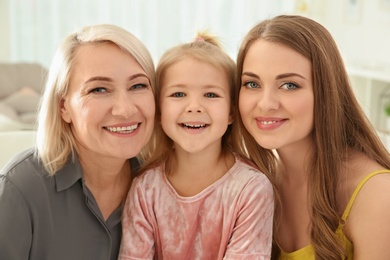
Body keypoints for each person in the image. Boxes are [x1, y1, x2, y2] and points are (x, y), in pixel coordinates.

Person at [236, 14, 390, 260]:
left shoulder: (378, 195)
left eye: (289, 85)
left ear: (326, 92)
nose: (266, 104)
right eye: (252, 84)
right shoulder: (258, 184)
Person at [0, 24, 156, 260]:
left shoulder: (162, 186)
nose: (125, 109)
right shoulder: (20, 188)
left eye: (138, 85)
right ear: (64, 107)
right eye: (99, 89)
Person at [118, 32, 274, 260]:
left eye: (211, 94)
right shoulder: (144, 189)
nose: (194, 107)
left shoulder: (251, 189)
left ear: (231, 111)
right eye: (178, 94)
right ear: (159, 110)